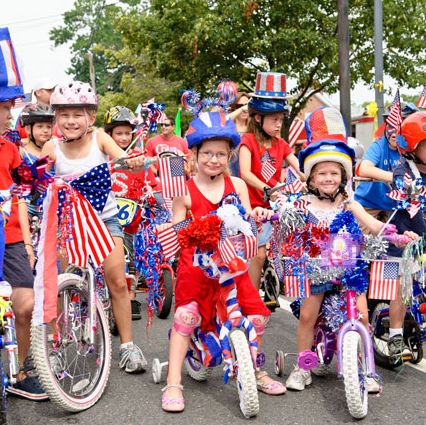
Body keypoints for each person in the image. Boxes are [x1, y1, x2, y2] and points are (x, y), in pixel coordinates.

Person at [159, 111, 286, 413]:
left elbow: (245, 217)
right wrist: (194, 231)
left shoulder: (238, 185)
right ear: (194, 155)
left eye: (220, 154)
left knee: (256, 316)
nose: (213, 160)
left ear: (230, 155)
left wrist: (257, 216)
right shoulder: (185, 190)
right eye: (207, 154)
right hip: (197, 267)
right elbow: (176, 232)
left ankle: (255, 369)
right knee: (187, 317)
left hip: (233, 264)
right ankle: (173, 380)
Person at [283, 106, 415, 393]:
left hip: (348, 268)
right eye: (322, 173)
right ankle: (301, 367)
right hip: (317, 267)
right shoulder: (305, 203)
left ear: (343, 176)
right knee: (308, 315)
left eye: (334, 172)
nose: (328, 178)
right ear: (311, 178)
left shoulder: (348, 201)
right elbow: (289, 226)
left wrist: (395, 235)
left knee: (363, 317)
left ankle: (366, 370)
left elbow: (371, 222)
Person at [40, 82, 148, 374]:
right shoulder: (53, 147)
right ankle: (57, 347)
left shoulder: (100, 138)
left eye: (78, 114)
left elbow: (125, 160)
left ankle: (127, 347)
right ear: (56, 119)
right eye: (63, 115)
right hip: (69, 223)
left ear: (90, 117)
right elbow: (37, 175)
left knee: (116, 280)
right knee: (59, 283)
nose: (70, 121)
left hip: (105, 219)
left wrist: (134, 162)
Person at [0, 26, 47, 400]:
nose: (6, 116)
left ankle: (21, 372)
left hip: (13, 237)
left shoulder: (10, 149)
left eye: (8, 109)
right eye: (1, 109)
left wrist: (29, 244)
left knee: (25, 304)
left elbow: (18, 194)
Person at [239, 72, 304, 291]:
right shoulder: (247, 140)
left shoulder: (281, 143)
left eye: (280, 119)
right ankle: (250, 300)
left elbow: (300, 169)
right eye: (273, 120)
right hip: (250, 207)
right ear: (258, 118)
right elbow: (245, 172)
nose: (278, 124)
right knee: (256, 255)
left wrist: (316, 179)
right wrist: (268, 188)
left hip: (272, 208)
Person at [104, 105, 158, 320]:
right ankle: (106, 295)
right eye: (119, 133)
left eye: (128, 133)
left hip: (133, 215)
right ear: (109, 135)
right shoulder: (103, 157)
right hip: (108, 215)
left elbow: (151, 182)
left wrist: (152, 193)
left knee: (133, 257)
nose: (124, 137)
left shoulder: (138, 156)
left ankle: (132, 297)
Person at [385, 111, 426, 358]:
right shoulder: (404, 172)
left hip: (423, 244)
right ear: (412, 146)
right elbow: (414, 211)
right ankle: (395, 336)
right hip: (400, 241)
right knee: (400, 289)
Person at [354, 102, 418, 231]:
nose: (395, 133)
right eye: (391, 126)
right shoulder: (379, 145)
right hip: (368, 203)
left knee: (396, 239)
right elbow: (364, 168)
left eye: (401, 127)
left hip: (395, 206)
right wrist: (395, 177)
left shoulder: (413, 150)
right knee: (364, 240)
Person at [228, 92, 251, 176]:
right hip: (230, 171)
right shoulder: (228, 127)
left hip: (249, 173)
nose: (245, 109)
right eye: (239, 106)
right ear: (233, 108)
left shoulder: (254, 128)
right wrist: (240, 110)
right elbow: (222, 121)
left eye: (247, 105)